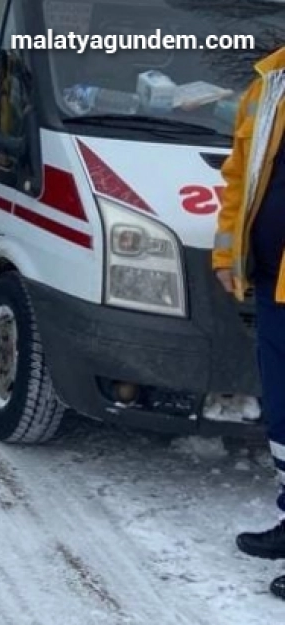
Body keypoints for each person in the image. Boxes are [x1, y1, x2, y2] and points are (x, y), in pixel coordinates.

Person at [212, 45, 285, 598]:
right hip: (270, 282)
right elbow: (239, 176)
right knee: (282, 418)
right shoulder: (269, 84)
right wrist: (225, 255)